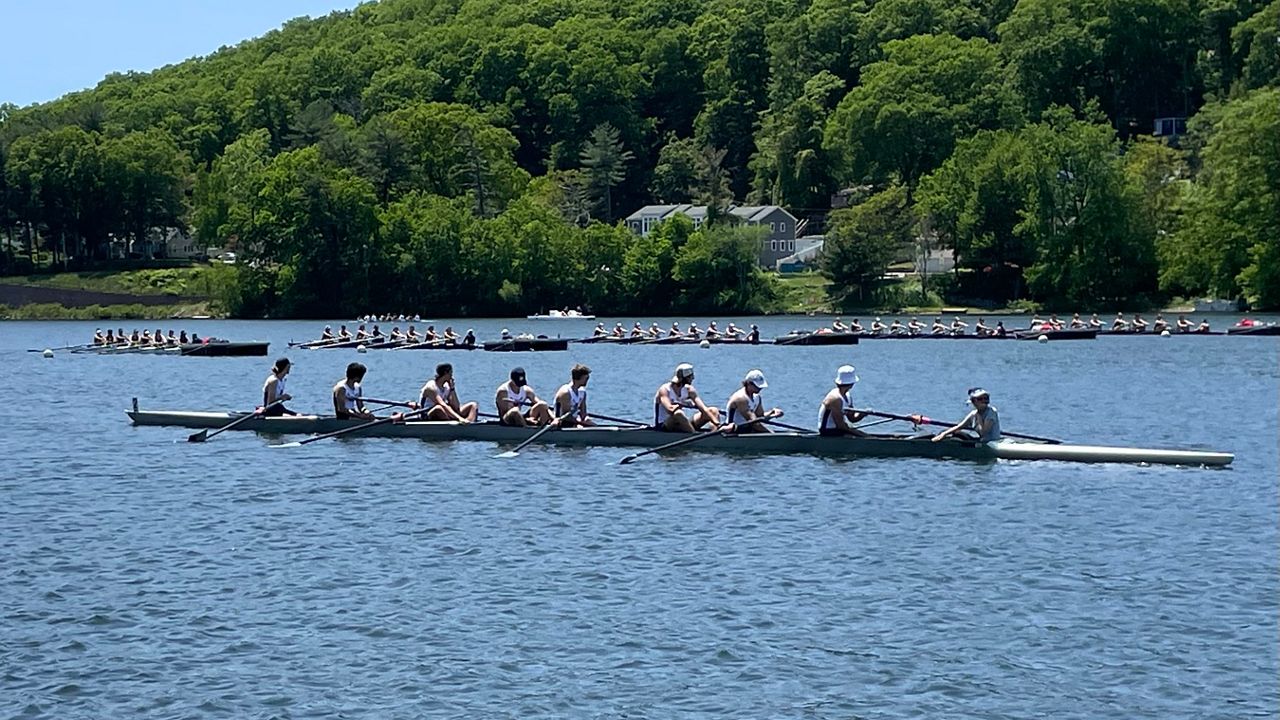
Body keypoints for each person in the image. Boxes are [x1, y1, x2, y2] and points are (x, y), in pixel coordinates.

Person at [654, 363, 720, 432]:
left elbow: (703, 409)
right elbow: (670, 409)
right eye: (691, 376)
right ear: (685, 377)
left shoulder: (689, 390)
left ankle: (715, 434)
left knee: (713, 411)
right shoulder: (665, 390)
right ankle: (694, 436)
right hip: (664, 426)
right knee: (678, 413)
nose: (693, 378)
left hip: (682, 422)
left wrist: (716, 423)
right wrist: (683, 404)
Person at [933, 388, 1001, 443]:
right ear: (974, 402)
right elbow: (959, 426)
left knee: (957, 436)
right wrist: (944, 434)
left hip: (991, 443)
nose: (984, 401)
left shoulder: (992, 412)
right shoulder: (973, 414)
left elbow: (983, 433)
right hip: (981, 441)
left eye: (986, 398)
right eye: (980, 399)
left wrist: (979, 417)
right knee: (955, 433)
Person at [724, 369, 781, 434]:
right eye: (757, 386)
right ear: (748, 383)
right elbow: (754, 423)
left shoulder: (757, 397)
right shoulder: (740, 398)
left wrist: (772, 413)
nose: (760, 388)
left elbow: (760, 416)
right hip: (733, 430)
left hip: (748, 428)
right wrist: (771, 433)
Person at [818, 365, 868, 437]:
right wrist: (861, 434)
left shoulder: (847, 396)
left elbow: (852, 419)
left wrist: (862, 414)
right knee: (862, 436)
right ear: (852, 384)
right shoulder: (835, 399)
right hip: (828, 432)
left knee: (863, 435)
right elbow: (840, 426)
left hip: (838, 430)